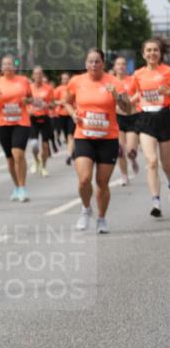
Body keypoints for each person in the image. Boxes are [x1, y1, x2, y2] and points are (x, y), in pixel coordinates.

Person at [64, 48, 134, 233]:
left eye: (97, 61)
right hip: (84, 137)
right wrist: (73, 114)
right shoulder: (77, 81)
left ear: (103, 63)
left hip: (107, 138)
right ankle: (86, 209)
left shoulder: (114, 83)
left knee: (102, 183)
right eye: (90, 61)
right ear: (86, 63)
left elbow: (127, 109)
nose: (93, 65)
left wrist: (117, 97)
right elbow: (66, 101)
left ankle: (101, 218)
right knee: (84, 179)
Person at [129, 38, 170, 217]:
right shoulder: (138, 74)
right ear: (143, 54)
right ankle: (156, 201)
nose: (152, 53)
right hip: (145, 119)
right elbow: (135, 95)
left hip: (165, 117)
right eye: (149, 50)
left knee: (167, 164)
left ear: (160, 53)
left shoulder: (168, 71)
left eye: (155, 50)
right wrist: (124, 102)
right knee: (152, 161)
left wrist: (167, 92)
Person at [0, 55, 32, 201]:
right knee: (10, 159)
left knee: (18, 154)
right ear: (1, 67)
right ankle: (17, 187)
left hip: (21, 122)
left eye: (10, 64)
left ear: (15, 66)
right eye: (5, 64)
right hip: (3, 124)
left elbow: (30, 98)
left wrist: (27, 100)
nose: (8, 66)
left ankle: (23, 187)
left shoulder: (23, 81)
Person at [111, 55, 140, 186]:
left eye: (123, 64)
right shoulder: (111, 82)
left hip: (132, 117)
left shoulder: (132, 80)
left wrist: (128, 102)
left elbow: (139, 93)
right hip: (117, 118)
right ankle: (124, 175)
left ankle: (133, 160)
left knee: (131, 151)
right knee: (120, 150)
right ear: (114, 67)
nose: (121, 66)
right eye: (118, 64)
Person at [28, 66, 55, 177]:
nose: (38, 76)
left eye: (40, 74)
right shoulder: (29, 88)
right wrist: (28, 110)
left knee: (45, 146)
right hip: (32, 118)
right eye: (36, 74)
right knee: (34, 145)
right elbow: (24, 102)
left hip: (44, 118)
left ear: (42, 75)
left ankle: (43, 167)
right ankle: (36, 160)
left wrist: (47, 105)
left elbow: (53, 104)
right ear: (33, 76)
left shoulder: (48, 88)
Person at [54, 72, 76, 164]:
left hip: (71, 114)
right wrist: (61, 102)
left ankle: (69, 155)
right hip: (61, 115)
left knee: (71, 135)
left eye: (67, 78)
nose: (65, 80)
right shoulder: (58, 89)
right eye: (63, 79)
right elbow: (53, 101)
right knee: (67, 136)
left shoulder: (73, 88)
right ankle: (72, 151)